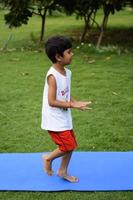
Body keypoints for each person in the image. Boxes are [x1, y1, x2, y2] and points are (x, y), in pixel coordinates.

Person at [41, 35, 91, 183]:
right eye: (69, 52)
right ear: (58, 57)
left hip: (64, 116)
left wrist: (76, 102)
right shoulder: (52, 76)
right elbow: (51, 101)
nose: (72, 54)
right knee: (67, 145)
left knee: (71, 145)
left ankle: (62, 171)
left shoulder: (67, 72)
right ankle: (48, 158)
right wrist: (71, 105)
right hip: (54, 118)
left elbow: (66, 93)